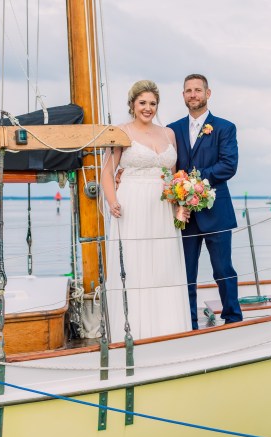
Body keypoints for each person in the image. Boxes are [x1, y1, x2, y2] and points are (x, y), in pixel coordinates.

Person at [101, 80, 191, 342]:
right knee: (135, 263)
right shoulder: (120, 131)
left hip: (162, 207)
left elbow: (174, 176)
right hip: (132, 203)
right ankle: (132, 332)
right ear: (132, 105)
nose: (148, 108)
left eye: (152, 103)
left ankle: (168, 329)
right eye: (143, 103)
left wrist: (179, 206)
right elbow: (107, 171)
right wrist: (111, 200)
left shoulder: (168, 134)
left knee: (164, 265)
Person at [167, 74, 243, 330]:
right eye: (188, 90)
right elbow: (168, 165)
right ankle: (189, 321)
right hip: (184, 214)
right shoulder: (172, 129)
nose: (193, 95)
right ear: (183, 95)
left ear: (208, 94)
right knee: (186, 272)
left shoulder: (224, 127)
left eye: (198, 90)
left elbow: (228, 166)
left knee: (223, 268)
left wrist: (195, 181)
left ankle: (233, 317)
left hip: (216, 210)